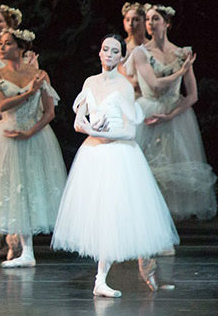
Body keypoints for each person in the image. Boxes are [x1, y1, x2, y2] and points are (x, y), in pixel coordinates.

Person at [52, 34, 178, 297]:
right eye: (104, 49)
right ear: (99, 53)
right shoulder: (90, 82)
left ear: (121, 57)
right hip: (93, 155)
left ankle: (106, 278)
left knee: (116, 214)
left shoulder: (123, 86)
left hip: (118, 154)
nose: (108, 54)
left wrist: (103, 135)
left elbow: (130, 131)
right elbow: (79, 119)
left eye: (114, 51)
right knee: (99, 217)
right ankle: (104, 279)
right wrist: (86, 127)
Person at [0, 29, 66, 268]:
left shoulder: (40, 74)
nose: (2, 47)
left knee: (29, 187)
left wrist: (31, 131)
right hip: (8, 135)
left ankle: (27, 250)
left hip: (32, 136)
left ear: (20, 48)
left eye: (8, 43)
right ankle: (16, 245)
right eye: (0, 43)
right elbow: (1, 105)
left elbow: (49, 111)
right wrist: (28, 92)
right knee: (10, 188)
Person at [130, 4, 216, 223]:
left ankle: (167, 229)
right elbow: (155, 85)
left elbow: (192, 95)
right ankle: (148, 226)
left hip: (175, 116)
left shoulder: (182, 53)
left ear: (167, 23)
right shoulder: (141, 53)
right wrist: (181, 69)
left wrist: (171, 115)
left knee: (172, 174)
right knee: (147, 172)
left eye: (155, 19)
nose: (150, 23)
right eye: (148, 19)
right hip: (149, 111)